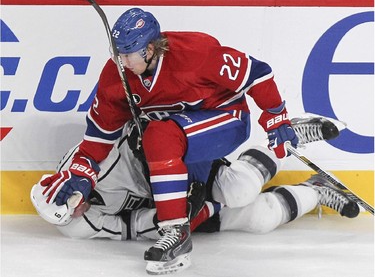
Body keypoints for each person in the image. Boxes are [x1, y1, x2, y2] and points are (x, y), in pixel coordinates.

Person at [40, 6, 299, 273]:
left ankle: (176, 235)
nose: (122, 62)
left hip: (226, 119)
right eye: (118, 53)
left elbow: (256, 72)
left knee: (160, 135)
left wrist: (276, 113)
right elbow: (98, 137)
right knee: (222, 192)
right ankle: (184, 220)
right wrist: (83, 174)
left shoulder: (195, 53)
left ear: (150, 49)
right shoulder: (115, 77)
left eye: (128, 54)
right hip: (179, 146)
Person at [32, 115, 359, 274]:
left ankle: (284, 141)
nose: (79, 210)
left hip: (171, 167)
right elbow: (133, 227)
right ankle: (316, 191)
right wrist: (186, 215)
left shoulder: (91, 159)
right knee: (258, 219)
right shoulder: (75, 226)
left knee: (240, 189)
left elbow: (137, 128)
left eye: (73, 202)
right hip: (171, 209)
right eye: (71, 213)